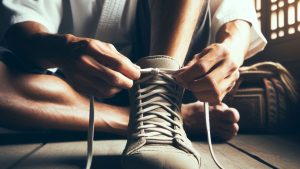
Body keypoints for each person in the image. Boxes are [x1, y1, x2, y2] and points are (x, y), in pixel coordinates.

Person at [0, 0, 266, 168]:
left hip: (174, 70)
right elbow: (21, 29)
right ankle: (153, 120)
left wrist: (234, 47)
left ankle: (160, 112)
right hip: (72, 83)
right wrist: (66, 50)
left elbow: (235, 17)